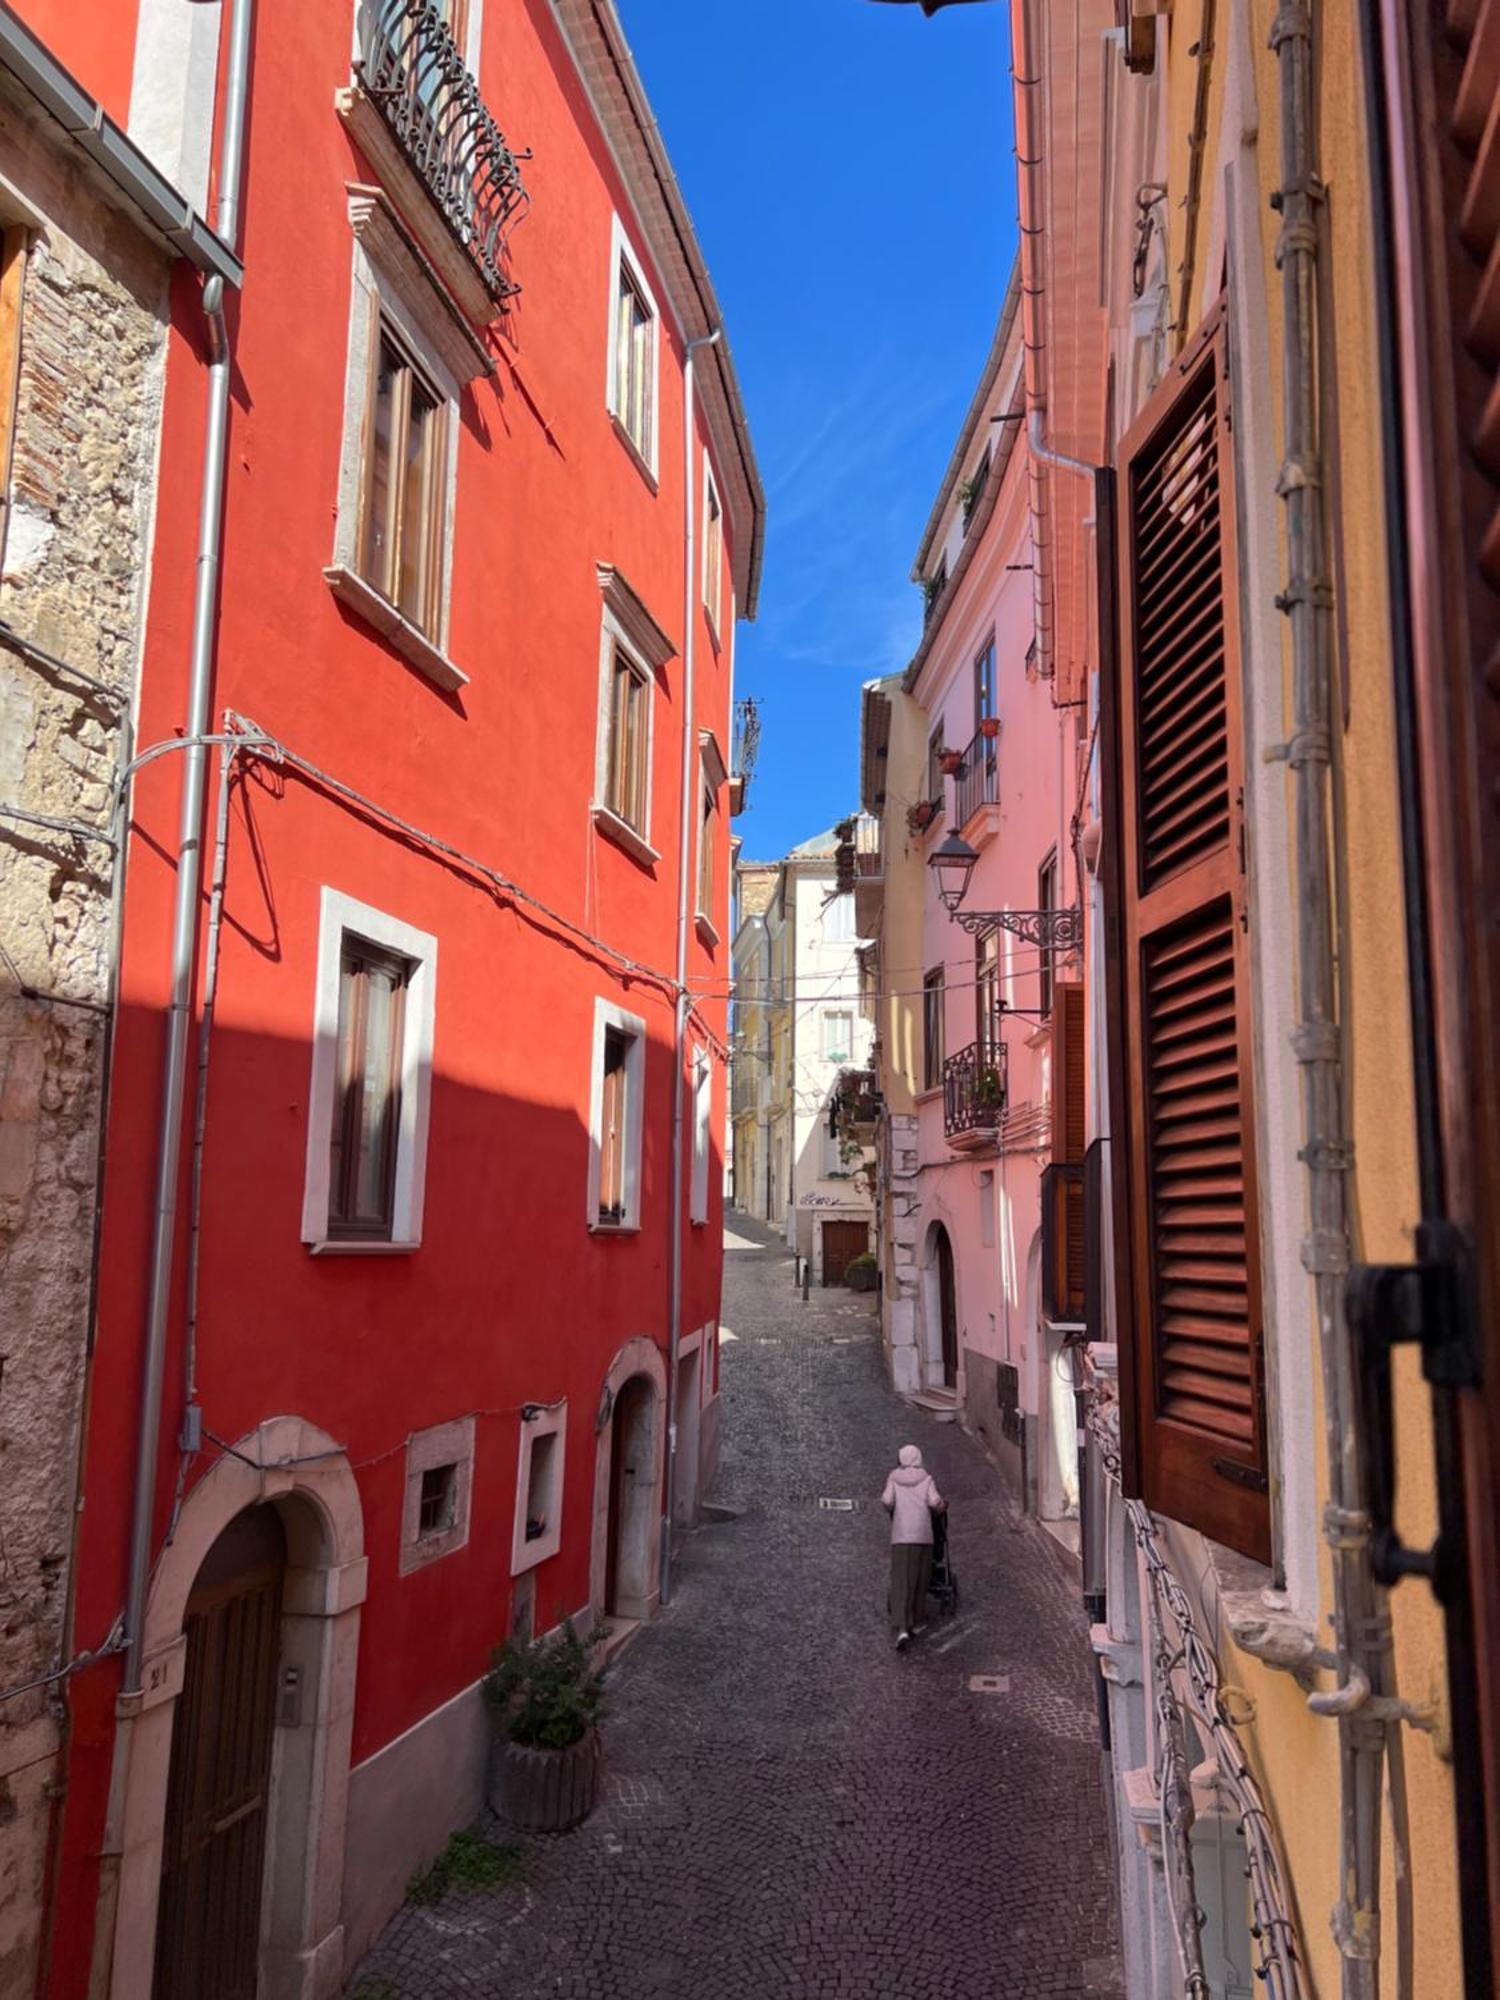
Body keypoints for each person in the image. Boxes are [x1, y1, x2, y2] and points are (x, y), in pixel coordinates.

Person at [881, 1444, 944, 1650]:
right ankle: (917, 1620)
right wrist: (941, 1506)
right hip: (923, 1534)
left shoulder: (894, 1478)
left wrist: (893, 1508)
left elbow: (887, 1500)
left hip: (901, 1535)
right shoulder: (926, 1479)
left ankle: (902, 1627)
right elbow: (935, 1502)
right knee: (919, 1578)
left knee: (901, 1579)